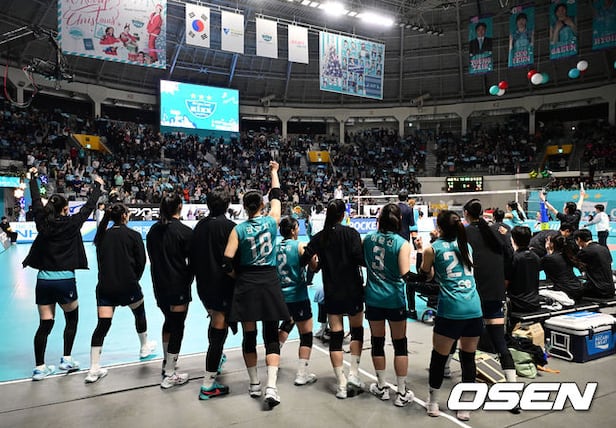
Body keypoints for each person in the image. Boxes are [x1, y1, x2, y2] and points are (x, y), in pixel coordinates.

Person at [23, 167, 103, 381]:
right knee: (71, 320)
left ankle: (39, 367)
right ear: (66, 209)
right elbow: (88, 207)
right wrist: (98, 186)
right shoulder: (72, 224)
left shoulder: (42, 223)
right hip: (65, 281)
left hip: (43, 281)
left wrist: (32, 178)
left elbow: (36, 201)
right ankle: (66, 358)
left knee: (45, 324)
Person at [222, 161, 290, 410]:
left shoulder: (238, 230)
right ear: (262, 205)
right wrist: (274, 172)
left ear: (244, 207)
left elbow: (226, 261)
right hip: (269, 281)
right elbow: (277, 195)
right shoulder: (272, 222)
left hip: (247, 282)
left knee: (249, 336)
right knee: (271, 335)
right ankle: (271, 386)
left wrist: (236, 276)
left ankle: (254, 384)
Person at [416, 210, 482, 421]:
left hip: (451, 309)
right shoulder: (466, 246)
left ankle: (433, 402)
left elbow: (426, 276)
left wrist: (421, 251)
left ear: (439, 228)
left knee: (439, 357)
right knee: (468, 358)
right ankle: (465, 405)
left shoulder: (432, 249)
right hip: (474, 308)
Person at [85, 203, 156, 384]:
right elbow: (141, 261)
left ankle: (93, 368)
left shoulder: (102, 236)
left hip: (105, 288)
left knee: (102, 325)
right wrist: (134, 279)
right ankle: (144, 347)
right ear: (124, 216)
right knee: (139, 313)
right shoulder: (134, 235)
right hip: (128, 285)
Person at [462, 200, 518, 404]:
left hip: (472, 293)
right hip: (495, 291)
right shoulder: (498, 231)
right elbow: (510, 257)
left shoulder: (464, 233)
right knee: (499, 341)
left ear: (466, 213)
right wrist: (505, 280)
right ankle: (512, 387)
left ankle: (457, 382)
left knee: (461, 337)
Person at [363, 203, 415, 407]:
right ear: (399, 220)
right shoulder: (402, 243)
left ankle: (382, 386)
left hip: (373, 298)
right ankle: (401, 392)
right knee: (400, 343)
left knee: (377, 342)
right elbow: (405, 274)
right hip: (394, 299)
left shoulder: (367, 239)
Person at [190, 187, 235, 400]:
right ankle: (208, 384)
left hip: (203, 286)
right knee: (219, 330)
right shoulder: (230, 228)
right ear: (227, 205)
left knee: (216, 324)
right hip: (222, 286)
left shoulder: (199, 226)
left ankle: (217, 360)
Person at [146, 194, 193, 389]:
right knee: (177, 326)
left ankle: (167, 362)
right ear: (180, 207)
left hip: (159, 285)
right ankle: (170, 373)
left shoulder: (153, 231)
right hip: (178, 285)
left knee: (168, 321)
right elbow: (193, 263)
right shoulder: (185, 232)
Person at [275, 216, 319, 386]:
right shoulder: (300, 246)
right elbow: (314, 267)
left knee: (288, 322)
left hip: (281, 296)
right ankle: (302, 374)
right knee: (306, 335)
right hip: (298, 296)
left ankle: (274, 354)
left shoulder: (275, 247)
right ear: (293, 230)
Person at [507, 226, 541, 315]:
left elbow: (506, 283)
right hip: (534, 302)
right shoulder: (536, 257)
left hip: (517, 304)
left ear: (513, 240)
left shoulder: (513, 258)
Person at [573, 229, 615, 298]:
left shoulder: (584, 252)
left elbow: (572, 262)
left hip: (598, 290)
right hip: (610, 289)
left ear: (579, 239)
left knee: (571, 289)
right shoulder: (604, 249)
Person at [542, 234, 585, 301]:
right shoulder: (567, 255)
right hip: (578, 289)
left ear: (552, 244)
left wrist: (548, 252)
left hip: (565, 291)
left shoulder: (549, 258)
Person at [397, 190, 417, 320]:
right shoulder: (409, 209)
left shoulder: (394, 208)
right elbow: (411, 224)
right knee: (404, 260)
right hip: (404, 236)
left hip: (394, 235)